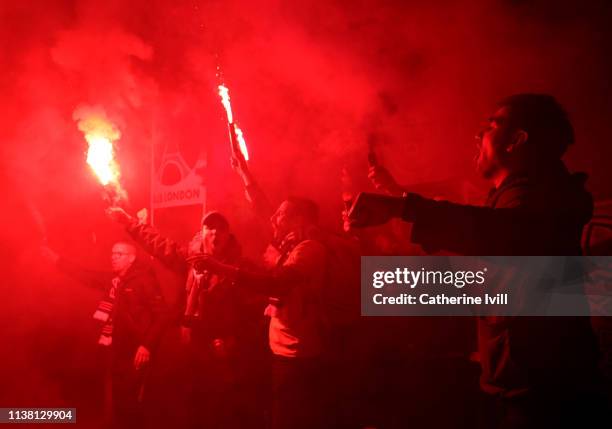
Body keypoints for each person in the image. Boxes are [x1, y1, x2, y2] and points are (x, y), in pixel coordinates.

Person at [349, 93, 607, 428]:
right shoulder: (523, 195)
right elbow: (484, 249)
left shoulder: (542, 195)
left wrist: (402, 207)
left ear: (517, 140)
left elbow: (503, 232)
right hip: (531, 385)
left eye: (491, 126)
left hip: (545, 395)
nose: (478, 135)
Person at [106, 207, 268, 429]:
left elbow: (255, 313)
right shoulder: (190, 260)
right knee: (191, 405)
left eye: (221, 229)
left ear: (228, 235)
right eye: (209, 229)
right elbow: (159, 243)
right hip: (190, 346)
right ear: (201, 233)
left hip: (221, 352)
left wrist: (233, 340)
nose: (215, 234)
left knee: (221, 410)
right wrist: (129, 222)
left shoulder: (239, 268)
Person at [42, 241, 168, 429]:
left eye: (119, 254)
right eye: (112, 253)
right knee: (118, 397)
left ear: (131, 258)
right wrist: (58, 260)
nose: (113, 257)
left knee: (131, 400)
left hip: (135, 350)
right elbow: (86, 276)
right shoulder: (115, 281)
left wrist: (146, 345)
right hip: (115, 347)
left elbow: (161, 314)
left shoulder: (143, 280)